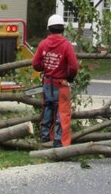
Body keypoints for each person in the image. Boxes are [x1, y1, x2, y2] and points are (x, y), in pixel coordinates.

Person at [32, 13, 79, 147]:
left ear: (49, 28)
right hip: (61, 83)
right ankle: (58, 140)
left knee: (47, 109)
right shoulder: (66, 45)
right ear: (62, 29)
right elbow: (74, 66)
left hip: (47, 82)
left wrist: (45, 67)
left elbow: (35, 64)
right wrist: (70, 76)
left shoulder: (43, 44)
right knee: (61, 112)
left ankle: (45, 137)